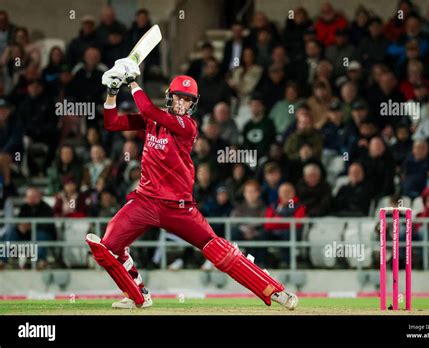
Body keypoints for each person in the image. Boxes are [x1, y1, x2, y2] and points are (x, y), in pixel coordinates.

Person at [93, 57, 298, 310]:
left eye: (188, 100)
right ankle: (137, 294)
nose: (183, 103)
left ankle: (273, 290)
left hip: (178, 207)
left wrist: (133, 81)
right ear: (170, 97)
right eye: (179, 97)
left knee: (217, 249)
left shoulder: (187, 126)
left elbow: (147, 109)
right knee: (109, 246)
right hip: (145, 201)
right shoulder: (152, 120)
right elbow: (112, 122)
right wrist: (112, 91)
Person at [264, 182, 306, 268]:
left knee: (287, 234)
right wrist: (285, 222)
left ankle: (287, 263)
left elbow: (296, 223)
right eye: (283, 191)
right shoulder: (274, 205)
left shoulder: (295, 205)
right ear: (279, 193)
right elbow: (268, 224)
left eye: (288, 191)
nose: (285, 194)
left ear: (293, 193)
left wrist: (277, 221)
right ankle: (262, 262)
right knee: (262, 234)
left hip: (291, 233)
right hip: (275, 233)